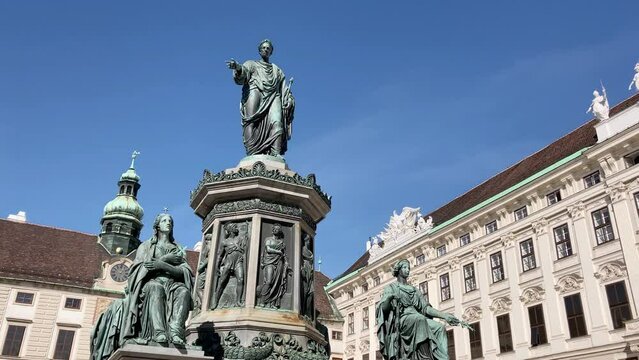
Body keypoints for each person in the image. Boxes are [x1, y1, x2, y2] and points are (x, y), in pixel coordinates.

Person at [91, 213, 194, 359]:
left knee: (184, 292)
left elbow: (185, 272)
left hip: (173, 284)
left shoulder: (178, 249)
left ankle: (176, 332)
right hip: (150, 285)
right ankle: (159, 333)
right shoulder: (146, 246)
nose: (168, 223)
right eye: (164, 221)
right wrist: (165, 260)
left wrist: (161, 264)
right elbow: (138, 270)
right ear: (157, 226)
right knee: (154, 288)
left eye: (170, 221)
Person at [376, 259, 466, 360]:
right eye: (404, 268)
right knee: (420, 319)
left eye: (408, 268)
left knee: (439, 327)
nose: (407, 270)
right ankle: (425, 357)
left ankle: (443, 358)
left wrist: (444, 315)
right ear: (398, 270)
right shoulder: (391, 288)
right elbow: (383, 309)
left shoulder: (415, 290)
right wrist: (389, 298)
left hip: (416, 318)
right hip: (403, 319)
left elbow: (425, 308)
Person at [226, 39, 295, 157]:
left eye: (268, 48)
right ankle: (251, 152)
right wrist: (237, 67)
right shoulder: (251, 64)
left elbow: (284, 89)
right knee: (250, 121)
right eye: (264, 47)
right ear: (259, 50)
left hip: (274, 96)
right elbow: (243, 74)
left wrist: (289, 99)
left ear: (271, 52)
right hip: (255, 91)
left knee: (277, 122)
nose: (266, 49)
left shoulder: (277, 70)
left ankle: (275, 153)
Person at [212, 222, 246, 309]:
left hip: (238, 261)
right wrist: (217, 266)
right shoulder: (224, 242)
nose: (237, 228)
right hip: (229, 261)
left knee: (241, 279)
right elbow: (220, 256)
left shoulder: (240, 239)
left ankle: (238, 301)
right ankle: (215, 301)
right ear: (230, 230)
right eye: (234, 227)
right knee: (222, 281)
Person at [257, 223, 291, 308]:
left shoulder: (281, 243)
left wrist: (287, 264)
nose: (276, 230)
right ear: (272, 230)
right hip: (269, 262)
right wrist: (278, 252)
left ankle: (272, 302)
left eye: (278, 229)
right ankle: (262, 300)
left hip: (279, 262)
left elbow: (284, 255)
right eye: (275, 228)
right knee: (269, 281)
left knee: (277, 283)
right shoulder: (268, 239)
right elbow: (268, 249)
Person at [300, 234, 314, 318]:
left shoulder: (310, 252)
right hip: (305, 270)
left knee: (311, 292)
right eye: (307, 240)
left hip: (310, 271)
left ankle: (307, 311)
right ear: (304, 241)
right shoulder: (302, 249)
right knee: (304, 292)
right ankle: (302, 310)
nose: (309, 242)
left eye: (309, 240)